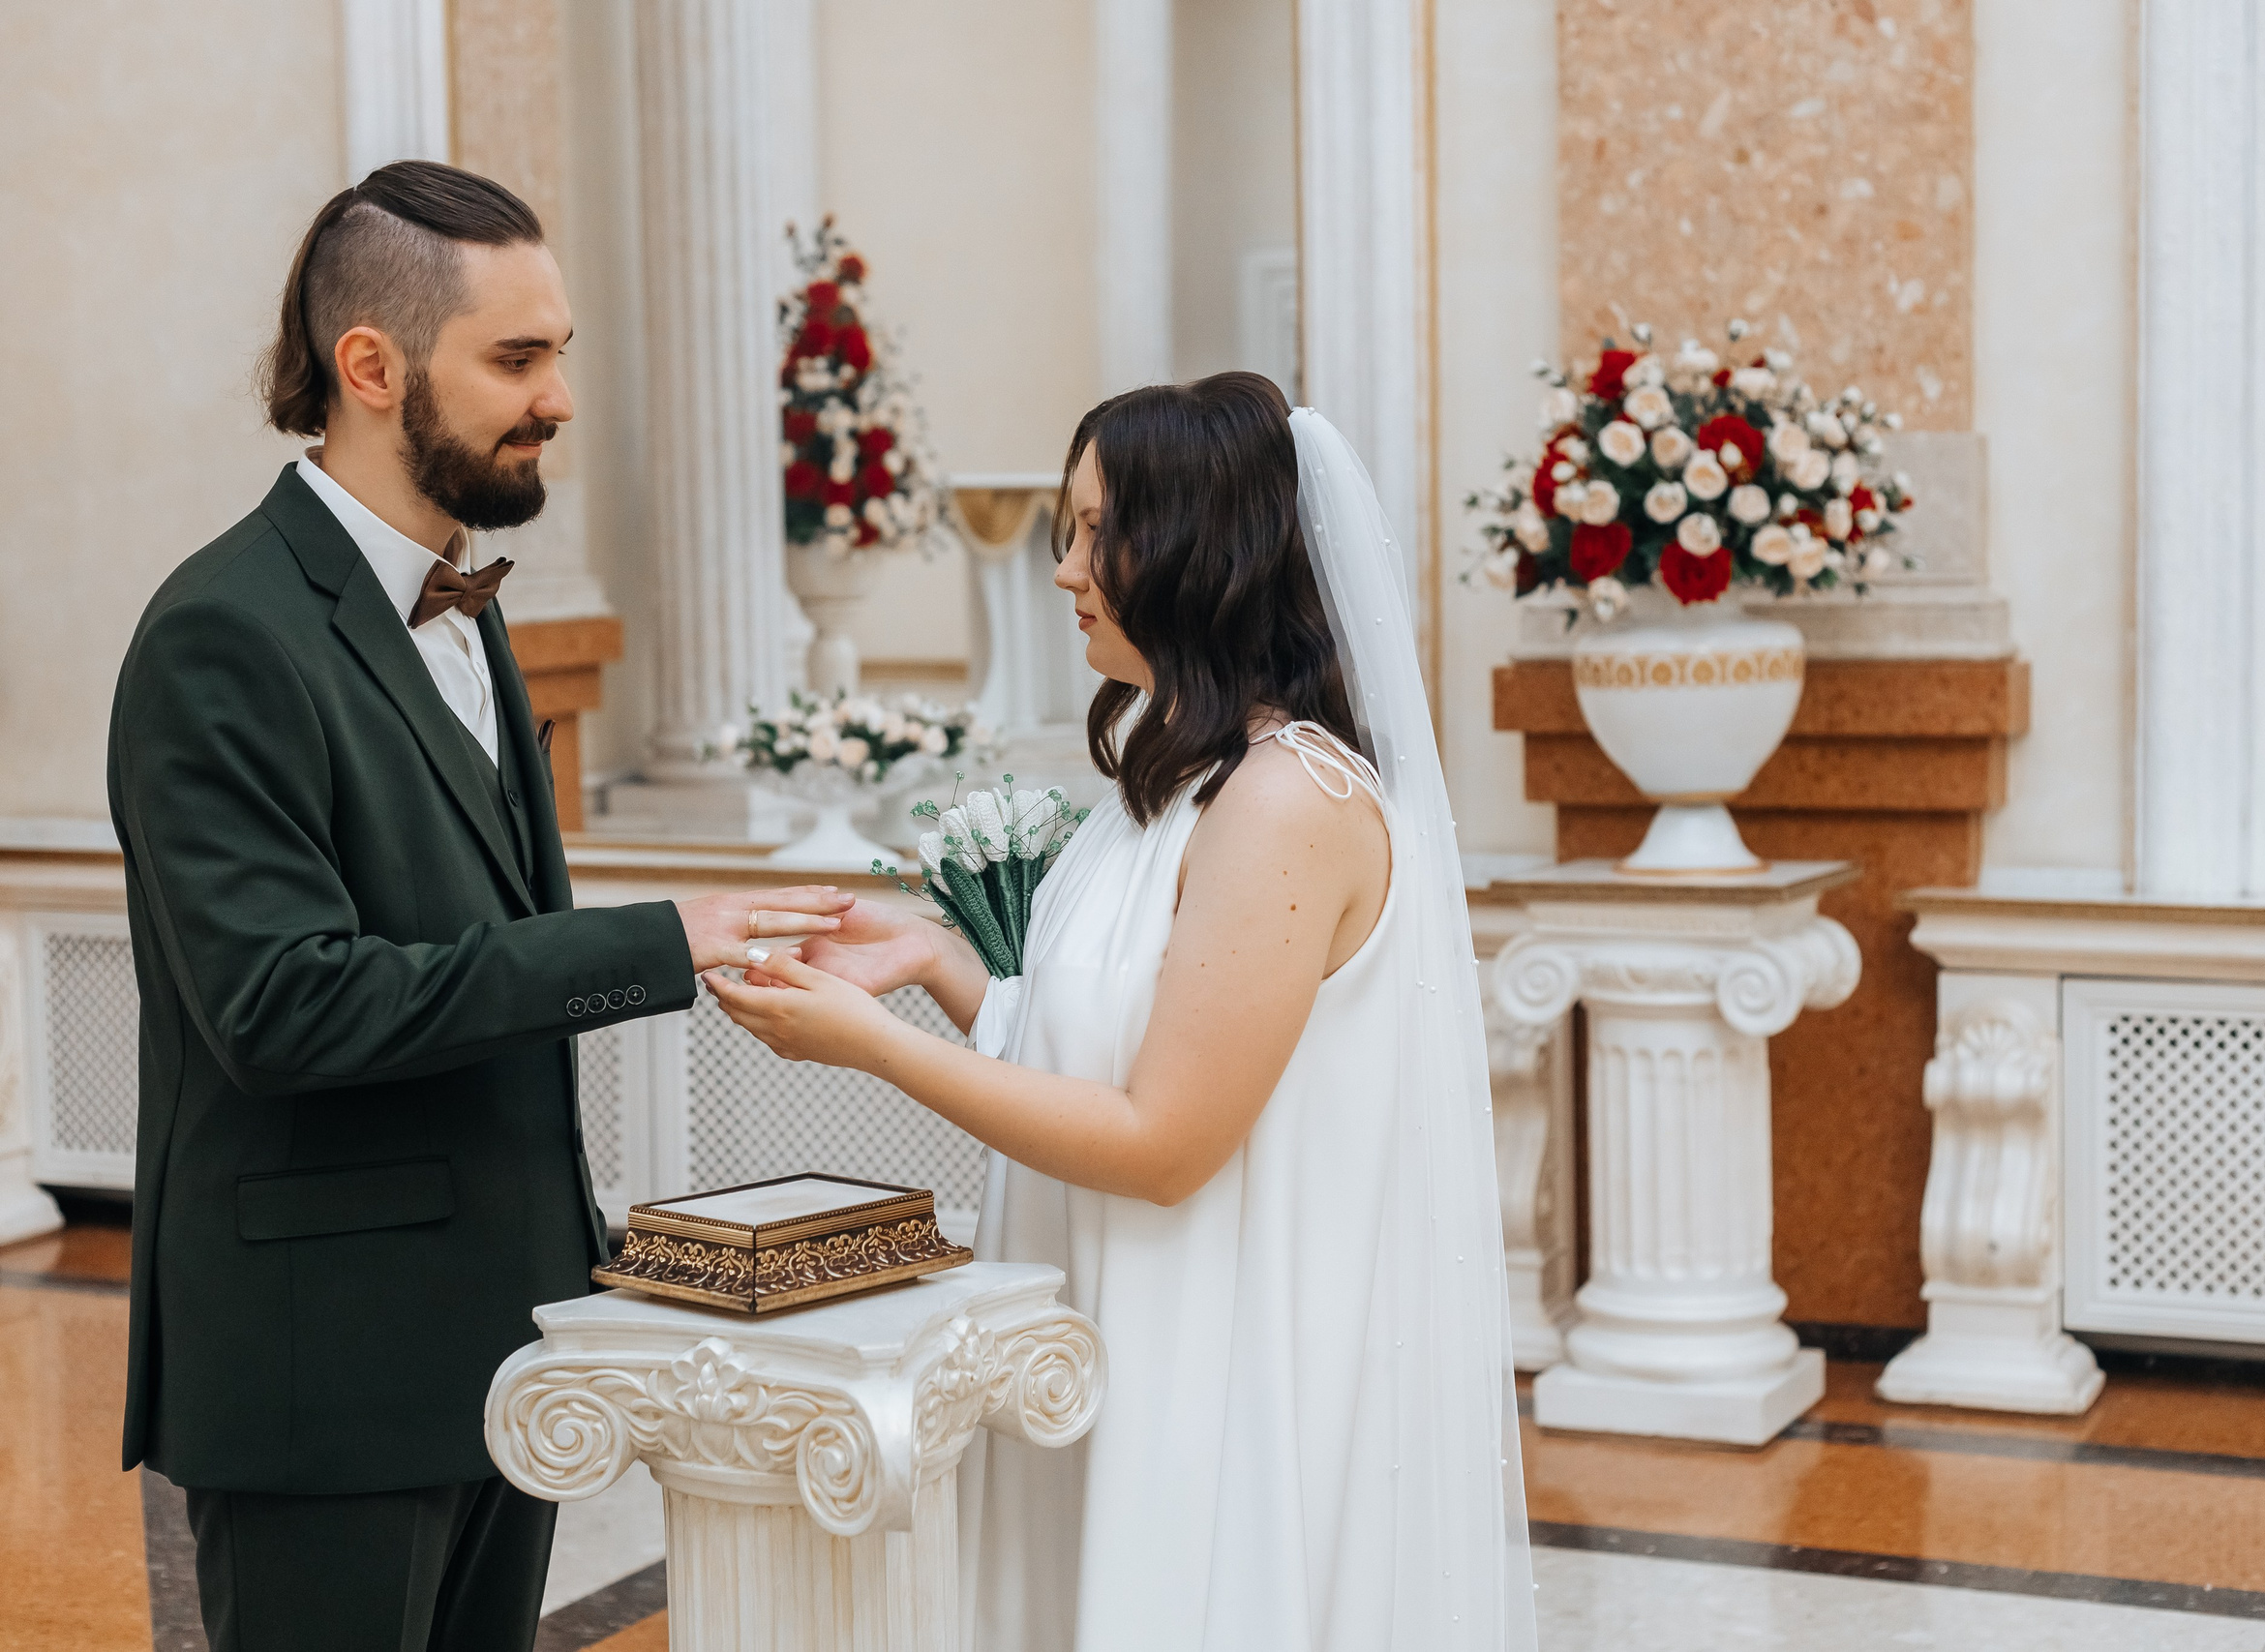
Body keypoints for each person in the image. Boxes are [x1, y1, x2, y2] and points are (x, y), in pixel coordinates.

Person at [106, 161, 848, 1652]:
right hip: (327, 1363)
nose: (560, 396)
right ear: (370, 368)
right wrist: (656, 942)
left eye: (560, 350)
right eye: (518, 358)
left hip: (506, 1345)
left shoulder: (467, 605)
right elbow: (285, 1003)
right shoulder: (221, 633)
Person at [708, 373, 1535, 1650]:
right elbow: (1113, 1047)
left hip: (1214, 1368)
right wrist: (935, 963)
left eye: (1101, 530)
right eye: (1067, 526)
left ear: (1210, 549)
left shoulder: (1288, 802)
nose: (1064, 566)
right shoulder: (1178, 778)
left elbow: (1163, 1139)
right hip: (1104, 1335)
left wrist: (873, 1050)